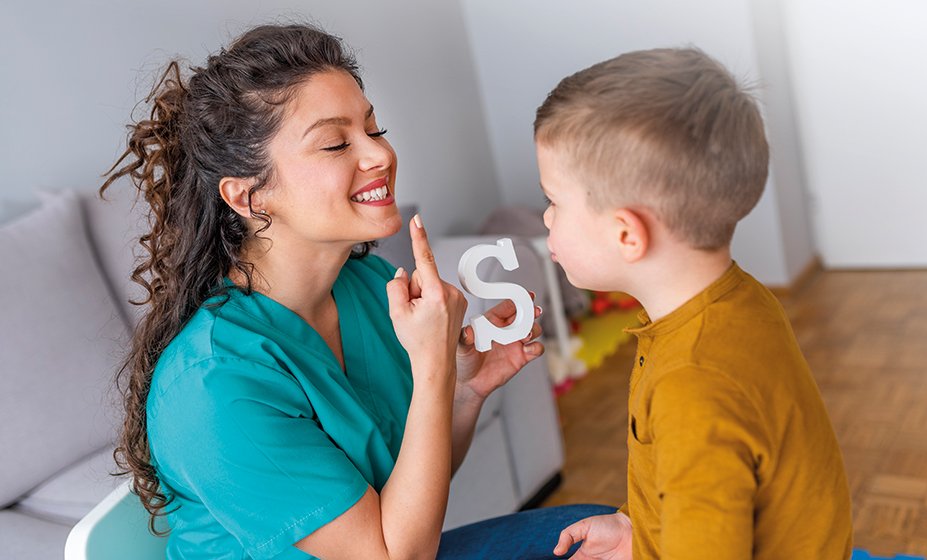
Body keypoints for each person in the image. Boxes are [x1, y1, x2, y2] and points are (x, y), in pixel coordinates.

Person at [103, 23, 611, 560]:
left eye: (374, 128)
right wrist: (432, 368)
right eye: (336, 143)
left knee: (607, 538)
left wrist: (462, 392)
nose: (380, 155)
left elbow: (408, 493)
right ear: (249, 196)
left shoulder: (367, 286)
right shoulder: (213, 384)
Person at [534, 48, 854, 559]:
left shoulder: (695, 385)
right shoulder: (737, 299)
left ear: (626, 234)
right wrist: (636, 527)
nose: (546, 219)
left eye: (554, 201)